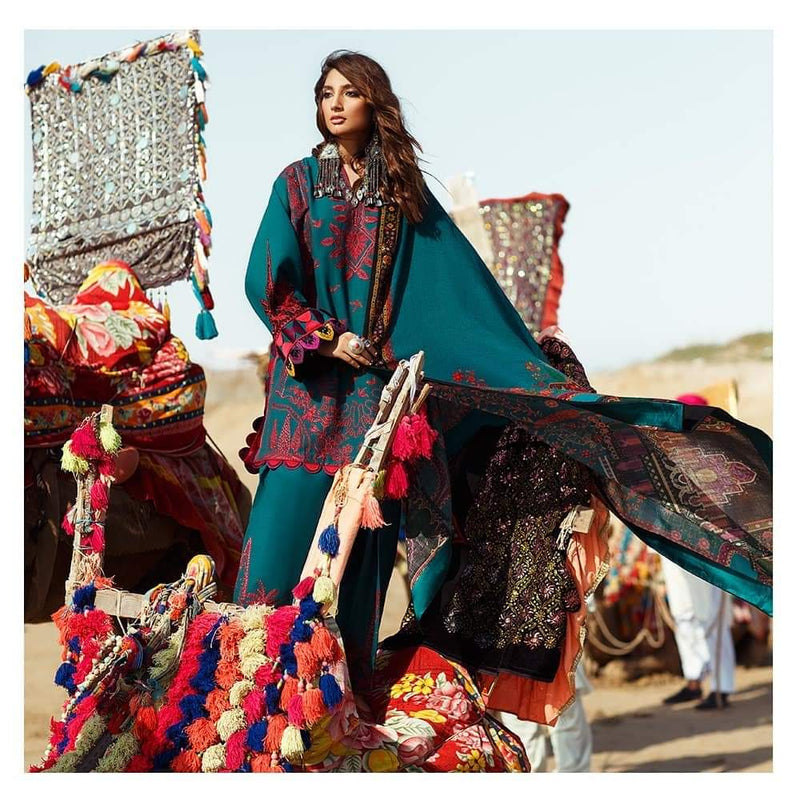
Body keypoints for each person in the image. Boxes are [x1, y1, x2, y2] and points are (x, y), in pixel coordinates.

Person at [236, 50, 773, 709]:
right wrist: (324, 337)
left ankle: (331, 714)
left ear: (376, 103)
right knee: (270, 573)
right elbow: (265, 282)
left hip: (374, 416)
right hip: (306, 405)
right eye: (326, 93)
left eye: (350, 92)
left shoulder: (402, 193)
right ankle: (245, 706)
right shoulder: (295, 183)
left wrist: (529, 367)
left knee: (358, 583)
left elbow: (461, 295)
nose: (336, 103)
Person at [661, 391, 737, 710]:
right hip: (672, 541)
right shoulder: (666, 452)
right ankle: (694, 678)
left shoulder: (721, 455)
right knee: (684, 613)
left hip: (709, 546)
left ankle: (721, 685)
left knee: (711, 616)